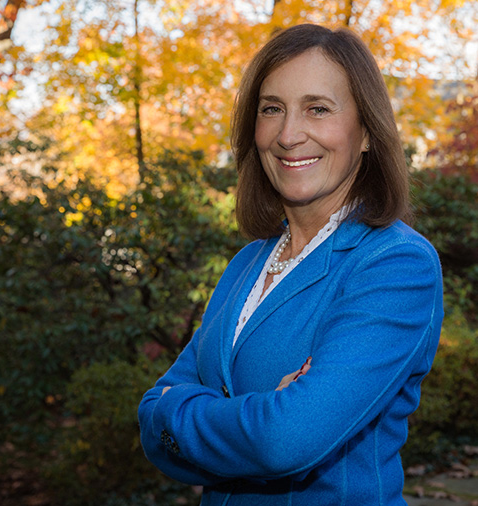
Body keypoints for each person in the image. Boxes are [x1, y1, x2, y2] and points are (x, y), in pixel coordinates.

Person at [138, 23, 443, 505]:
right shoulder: (248, 262)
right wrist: (257, 412)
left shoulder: (396, 264)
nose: (288, 134)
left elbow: (285, 441)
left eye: (317, 109)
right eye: (271, 109)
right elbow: (150, 419)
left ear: (366, 132)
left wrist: (182, 411)